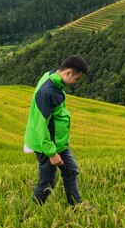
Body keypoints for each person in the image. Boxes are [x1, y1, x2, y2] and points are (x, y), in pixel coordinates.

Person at [23, 55, 88, 206]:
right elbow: (41, 125)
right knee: (47, 183)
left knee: (71, 170)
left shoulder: (52, 77)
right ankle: (30, 214)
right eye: (76, 79)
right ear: (67, 73)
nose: (76, 83)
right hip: (46, 144)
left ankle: (76, 207)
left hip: (59, 142)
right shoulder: (47, 92)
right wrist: (51, 153)